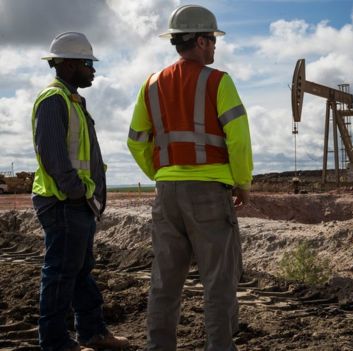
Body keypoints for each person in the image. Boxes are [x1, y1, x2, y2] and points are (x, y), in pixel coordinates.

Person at [127, 4, 253, 350]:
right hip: (210, 193)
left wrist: (163, 173)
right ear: (199, 41)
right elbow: (239, 139)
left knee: (164, 282)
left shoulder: (150, 85)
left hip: (167, 194)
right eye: (212, 39)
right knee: (218, 282)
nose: (215, 46)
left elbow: (136, 140)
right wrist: (242, 182)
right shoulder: (218, 81)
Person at [32, 32, 129, 351]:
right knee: (60, 273)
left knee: (79, 270)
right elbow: (53, 154)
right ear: (70, 64)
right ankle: (56, 342)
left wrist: (86, 197)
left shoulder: (72, 99)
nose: (93, 69)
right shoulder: (53, 100)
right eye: (88, 63)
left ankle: (92, 332)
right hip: (63, 203)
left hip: (77, 203)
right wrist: (76, 192)